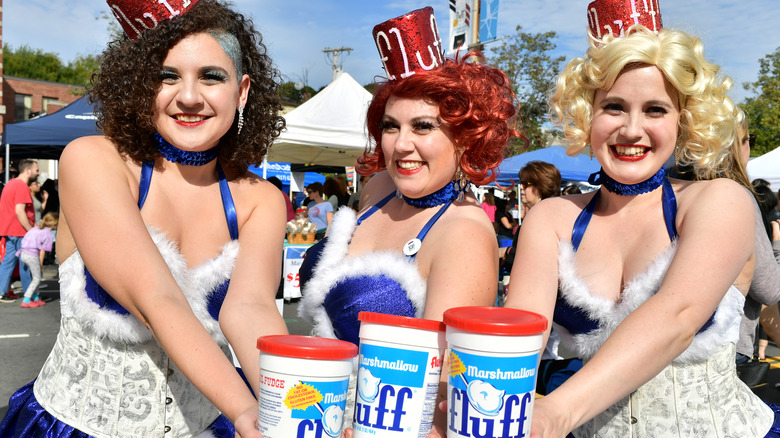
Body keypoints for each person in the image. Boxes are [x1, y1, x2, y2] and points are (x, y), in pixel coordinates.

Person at [0, 1, 288, 437]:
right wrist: (247, 409)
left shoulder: (261, 200)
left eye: (211, 76)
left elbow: (251, 309)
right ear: (141, 86)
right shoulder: (93, 160)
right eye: (166, 76)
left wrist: (290, 405)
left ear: (242, 91)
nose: (189, 96)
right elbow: (157, 299)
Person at [504, 1, 780, 436]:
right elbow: (518, 340)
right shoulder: (552, 217)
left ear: (683, 121)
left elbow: (676, 318)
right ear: (588, 114)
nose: (631, 130)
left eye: (655, 110)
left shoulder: (720, 201)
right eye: (613, 106)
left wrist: (556, 413)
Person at [298, 6, 517, 435]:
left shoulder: (464, 230)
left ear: (465, 134)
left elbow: (441, 381)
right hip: (311, 409)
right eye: (391, 126)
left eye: (423, 126)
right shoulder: (379, 188)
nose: (401, 145)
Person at [0, 159, 39, 302]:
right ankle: (31, 295)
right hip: (20, 231)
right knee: (27, 264)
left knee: (7, 262)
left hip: (10, 230)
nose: (38, 173)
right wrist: (31, 230)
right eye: (36, 170)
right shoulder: (21, 186)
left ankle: (1, 292)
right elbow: (20, 211)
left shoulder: (10, 184)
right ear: (28, 171)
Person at [17, 212, 58, 308]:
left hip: (23, 253)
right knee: (37, 278)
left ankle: (35, 298)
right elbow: (42, 252)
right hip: (32, 256)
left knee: (34, 277)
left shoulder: (35, 229)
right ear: (54, 224)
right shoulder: (48, 234)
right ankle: (26, 299)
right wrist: (40, 265)